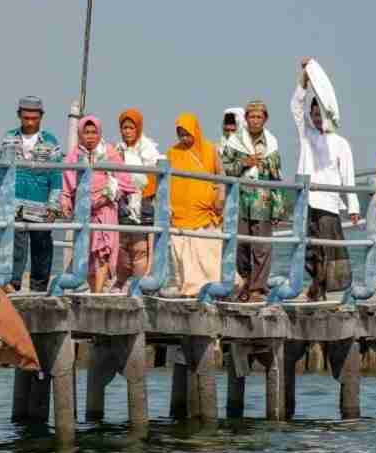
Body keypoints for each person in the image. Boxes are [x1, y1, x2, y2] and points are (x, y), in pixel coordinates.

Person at [293, 57, 360, 301]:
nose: (317, 118)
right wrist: (305, 78)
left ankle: (326, 288)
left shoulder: (341, 143)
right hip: (308, 200)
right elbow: (296, 108)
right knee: (309, 247)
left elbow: (347, 176)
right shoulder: (307, 136)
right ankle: (315, 286)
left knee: (328, 248)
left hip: (329, 202)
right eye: (314, 114)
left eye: (320, 114)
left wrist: (352, 206)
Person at [0, 97, 64, 293]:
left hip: (40, 205)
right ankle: (12, 285)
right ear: (19, 116)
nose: (30, 122)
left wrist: (54, 205)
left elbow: (56, 174)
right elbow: (0, 170)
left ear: (41, 117)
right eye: (26, 117)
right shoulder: (9, 138)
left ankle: (39, 289)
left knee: (42, 246)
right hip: (13, 204)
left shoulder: (50, 142)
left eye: (34, 118)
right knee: (15, 247)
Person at [61, 115, 134, 293]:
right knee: (86, 252)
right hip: (84, 210)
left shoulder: (109, 152)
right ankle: (93, 288)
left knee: (103, 252)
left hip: (106, 209)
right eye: (86, 132)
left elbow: (125, 180)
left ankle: (98, 292)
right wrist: (65, 200)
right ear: (80, 134)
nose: (90, 136)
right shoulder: (74, 156)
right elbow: (66, 183)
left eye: (94, 132)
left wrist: (111, 194)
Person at [222, 100, 285, 302]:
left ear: (265, 119)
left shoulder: (272, 142)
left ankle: (258, 288)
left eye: (259, 117)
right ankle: (245, 282)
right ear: (246, 118)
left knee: (262, 246)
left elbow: (277, 177)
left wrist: (278, 207)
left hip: (263, 200)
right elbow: (225, 169)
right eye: (252, 116)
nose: (255, 120)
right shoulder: (234, 141)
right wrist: (244, 163)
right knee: (241, 244)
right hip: (240, 199)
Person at [167, 113, 226, 296]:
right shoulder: (172, 153)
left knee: (207, 256)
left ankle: (211, 288)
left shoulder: (210, 150)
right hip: (180, 214)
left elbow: (221, 176)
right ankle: (189, 290)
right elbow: (165, 182)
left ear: (195, 131)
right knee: (183, 256)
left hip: (205, 214)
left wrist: (220, 199)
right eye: (180, 134)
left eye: (187, 133)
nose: (184, 138)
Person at [114, 108, 165, 290]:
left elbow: (150, 178)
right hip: (122, 202)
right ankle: (120, 281)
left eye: (131, 128)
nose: (127, 132)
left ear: (138, 129)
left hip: (143, 202)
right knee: (122, 245)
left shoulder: (148, 151)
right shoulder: (118, 149)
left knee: (139, 247)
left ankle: (137, 285)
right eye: (124, 128)